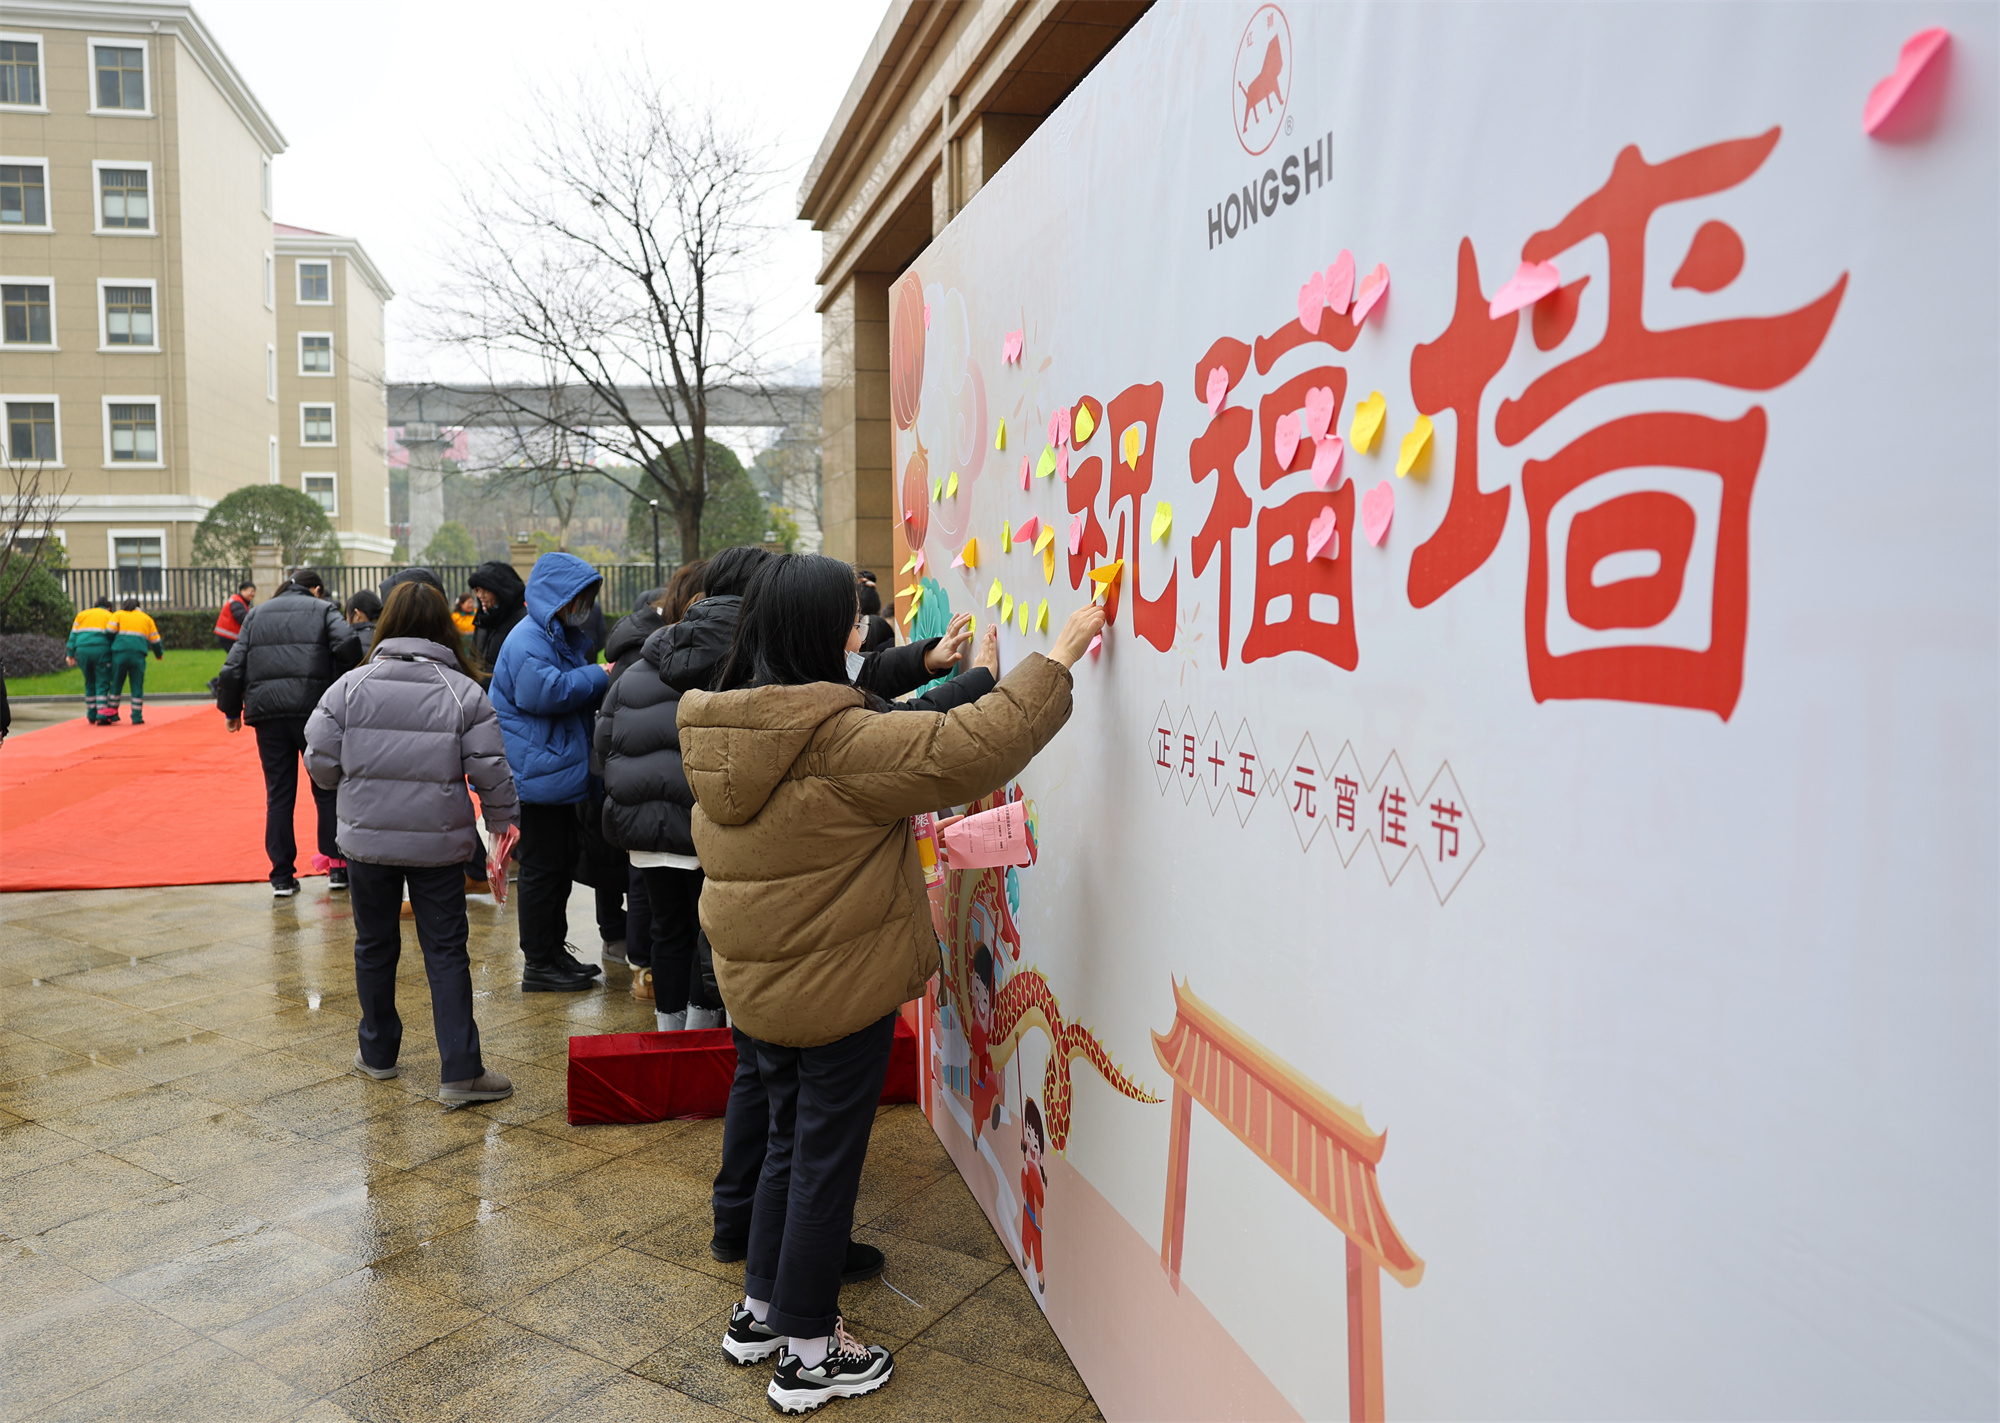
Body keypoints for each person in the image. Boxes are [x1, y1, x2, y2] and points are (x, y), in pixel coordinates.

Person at [678, 552, 1104, 1412]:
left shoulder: (727, 728)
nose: (859, 632)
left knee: (787, 1145)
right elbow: (968, 748)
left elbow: (920, 725)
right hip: (834, 989)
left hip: (760, 986)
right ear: (816, 632)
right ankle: (808, 1352)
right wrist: (1058, 657)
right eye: (849, 619)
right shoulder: (836, 740)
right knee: (822, 1162)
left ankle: (760, 1311)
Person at [304, 581, 519, 1104]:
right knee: (445, 951)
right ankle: (461, 1071)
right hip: (437, 845)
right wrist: (503, 825)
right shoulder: (462, 691)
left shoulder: (349, 686)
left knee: (374, 945)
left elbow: (319, 763)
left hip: (366, 841)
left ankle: (377, 1053)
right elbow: (491, 772)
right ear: (443, 627)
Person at [599, 546, 769, 1032]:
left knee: (667, 930)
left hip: (644, 828)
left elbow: (604, 743)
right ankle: (700, 1034)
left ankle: (670, 1035)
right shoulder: (735, 665)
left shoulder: (637, 667)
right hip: (702, 823)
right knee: (707, 931)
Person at [489, 551, 609, 991]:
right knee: (542, 871)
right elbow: (546, 692)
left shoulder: (552, 634)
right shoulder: (528, 639)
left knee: (558, 865)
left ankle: (553, 951)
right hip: (534, 778)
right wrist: (601, 674)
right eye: (578, 598)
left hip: (550, 773)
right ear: (557, 597)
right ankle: (539, 963)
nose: (584, 607)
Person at [213, 567, 363, 896]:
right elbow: (348, 643)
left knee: (279, 795)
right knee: (326, 788)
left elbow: (232, 667)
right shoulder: (323, 609)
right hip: (314, 712)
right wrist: (339, 682)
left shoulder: (256, 614)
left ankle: (281, 875)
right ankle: (337, 867)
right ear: (316, 589)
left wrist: (231, 710)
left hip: (268, 714)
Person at [105, 597, 164, 724]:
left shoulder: (118, 615)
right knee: (137, 684)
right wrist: (159, 654)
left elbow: (109, 632)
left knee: (116, 683)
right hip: (138, 655)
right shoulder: (146, 619)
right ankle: (137, 716)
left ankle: (112, 714)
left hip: (120, 654)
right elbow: (155, 640)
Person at [467, 560, 528, 674]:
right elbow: (473, 658)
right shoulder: (483, 619)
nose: (480, 596)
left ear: (501, 592)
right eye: (478, 590)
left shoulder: (521, 622)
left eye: (485, 590)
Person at [65, 598, 117, 725]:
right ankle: (102, 713)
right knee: (102, 681)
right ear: (109, 608)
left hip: (82, 650)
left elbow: (73, 636)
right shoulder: (109, 616)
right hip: (101, 650)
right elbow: (114, 636)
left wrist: (70, 654)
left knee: (89, 681)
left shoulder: (81, 615)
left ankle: (91, 713)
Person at [215, 581, 255, 651]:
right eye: (251, 591)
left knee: (237, 655)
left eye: (254, 592)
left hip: (227, 635)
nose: (253, 594)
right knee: (237, 656)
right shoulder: (237, 601)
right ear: (242, 591)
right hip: (228, 636)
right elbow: (241, 617)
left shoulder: (240, 601)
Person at [345, 591, 382, 657]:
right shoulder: (388, 637)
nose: (346, 621)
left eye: (347, 617)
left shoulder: (350, 644)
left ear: (357, 615)